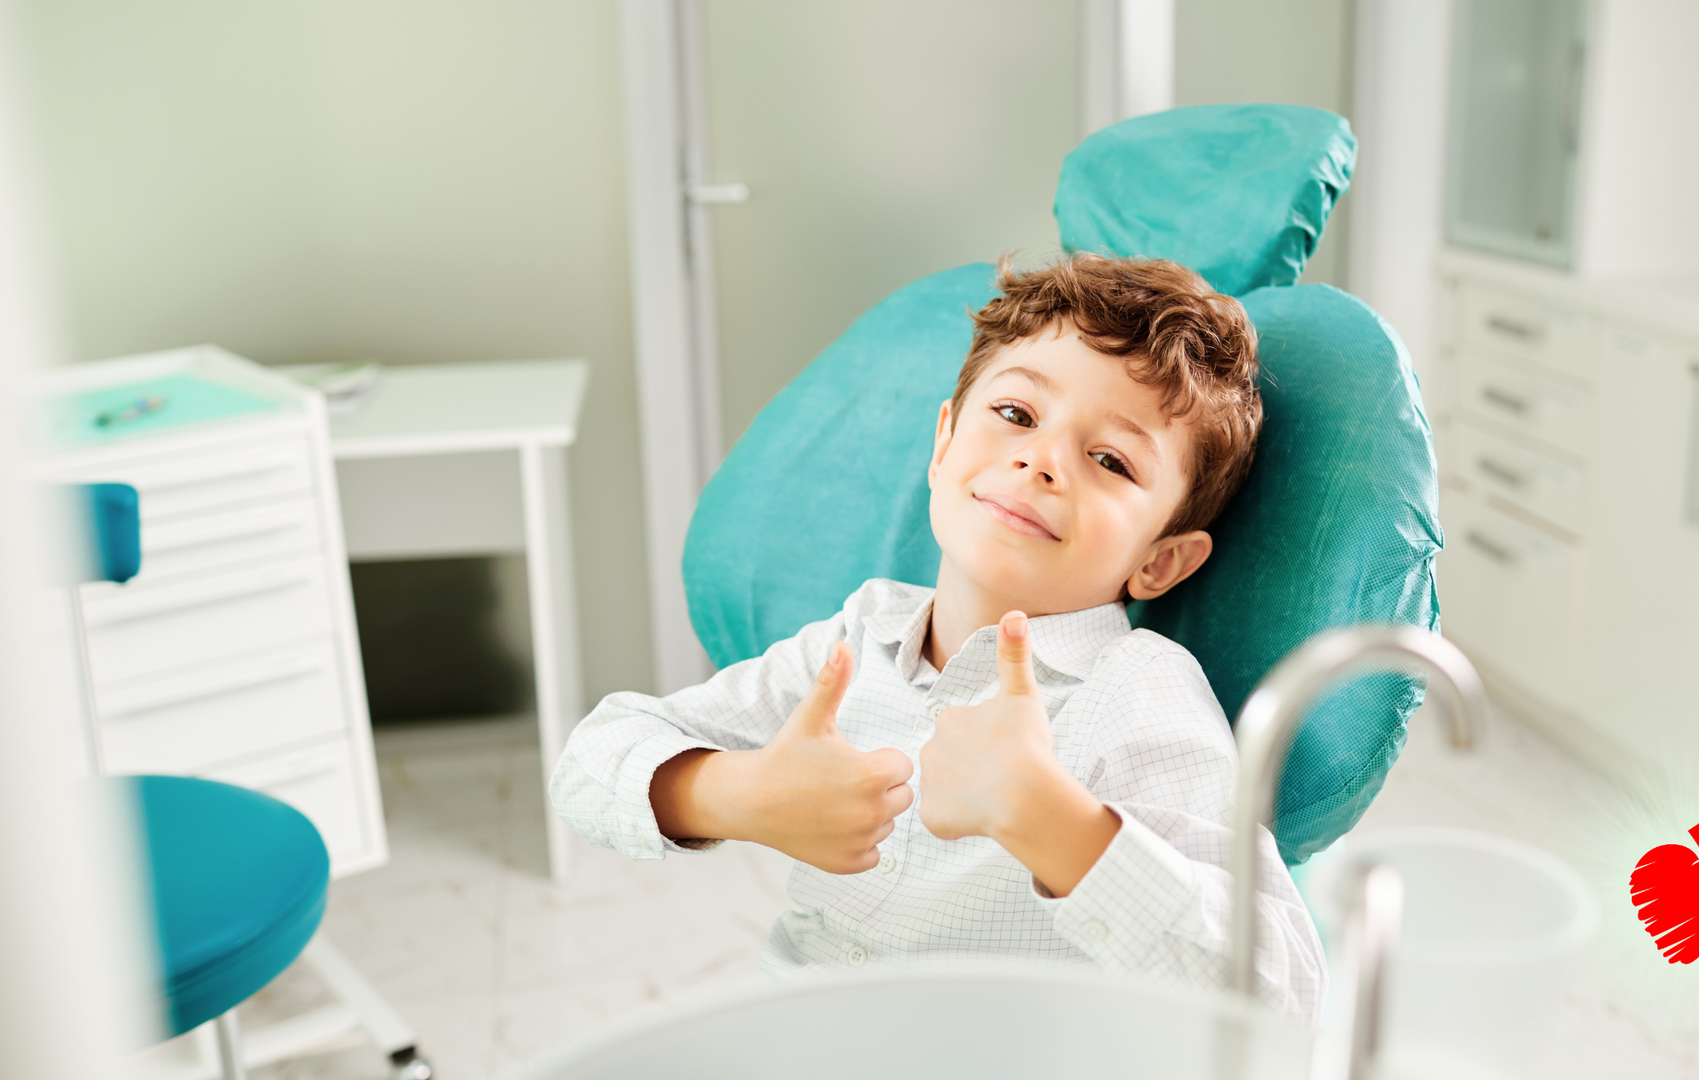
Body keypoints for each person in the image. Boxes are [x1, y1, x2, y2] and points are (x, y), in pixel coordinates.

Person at [549, 253, 1326, 1023]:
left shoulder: (1136, 691)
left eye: (1111, 461)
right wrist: (736, 795)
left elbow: (1282, 1002)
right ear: (944, 444)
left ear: (1160, 561)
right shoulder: (858, 638)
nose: (1042, 459)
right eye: (1017, 414)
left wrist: (1053, 822)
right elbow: (587, 763)